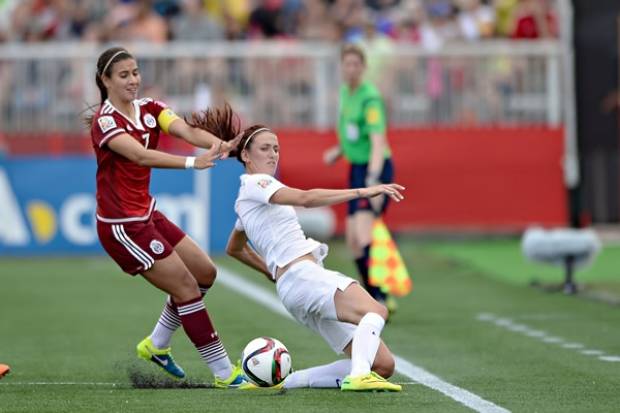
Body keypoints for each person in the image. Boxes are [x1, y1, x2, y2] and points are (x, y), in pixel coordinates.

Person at [188, 106, 404, 391]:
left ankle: (288, 381)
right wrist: (362, 191)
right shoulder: (257, 183)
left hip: (296, 287)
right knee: (374, 310)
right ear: (245, 155)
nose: (273, 154)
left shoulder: (247, 197)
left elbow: (234, 248)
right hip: (304, 278)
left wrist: (270, 271)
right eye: (265, 148)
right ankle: (359, 375)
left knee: (384, 365)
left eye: (276, 148)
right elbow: (305, 198)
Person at [88, 46, 247, 388]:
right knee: (187, 287)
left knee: (205, 273)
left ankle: (156, 344)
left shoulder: (150, 109)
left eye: (136, 72)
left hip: (146, 213)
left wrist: (223, 145)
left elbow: (187, 132)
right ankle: (224, 374)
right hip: (122, 227)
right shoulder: (105, 121)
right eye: (124, 75)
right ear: (106, 80)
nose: (133, 80)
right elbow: (141, 157)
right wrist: (194, 162)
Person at [323, 44, 396, 312]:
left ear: (363, 68)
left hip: (373, 170)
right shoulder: (345, 92)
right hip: (356, 169)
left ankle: (380, 298)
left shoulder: (370, 99)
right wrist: (339, 151)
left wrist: (374, 178)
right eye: (347, 64)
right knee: (354, 241)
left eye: (356, 64)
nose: (351, 69)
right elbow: (352, 130)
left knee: (364, 235)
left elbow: (378, 141)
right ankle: (377, 293)